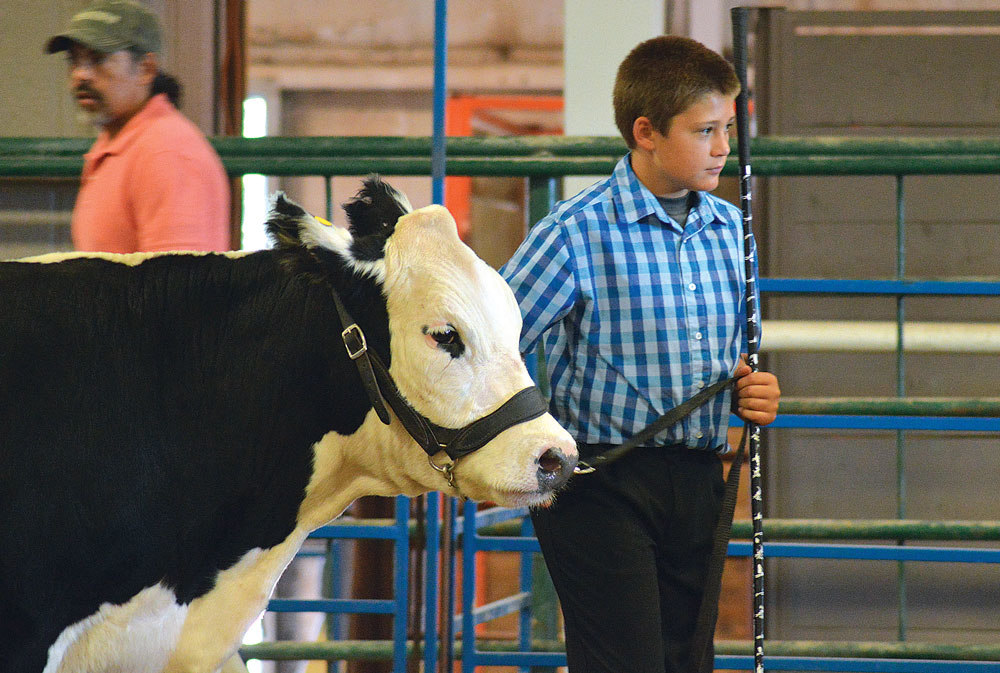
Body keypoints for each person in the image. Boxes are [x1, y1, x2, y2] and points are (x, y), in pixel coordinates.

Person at [500, 35, 781, 673]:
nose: (722, 147)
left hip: (698, 481)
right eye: (704, 130)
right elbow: (493, 346)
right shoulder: (573, 233)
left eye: (728, 128)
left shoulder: (730, 233)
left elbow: (737, 363)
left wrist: (755, 391)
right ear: (646, 131)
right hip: (601, 484)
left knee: (688, 661)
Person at [47, 0, 230, 253]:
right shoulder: (119, 141)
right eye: (74, 60)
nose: (80, 74)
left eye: (98, 59)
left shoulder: (167, 153)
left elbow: (178, 285)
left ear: (145, 68)